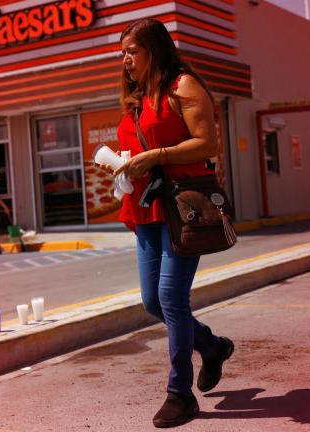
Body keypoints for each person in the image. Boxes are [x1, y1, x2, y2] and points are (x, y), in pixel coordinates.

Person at [106, 18, 235, 428]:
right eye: (123, 52)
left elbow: (207, 142)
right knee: (151, 302)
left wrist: (155, 155)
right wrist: (123, 168)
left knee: (171, 299)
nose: (125, 59)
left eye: (132, 51)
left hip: (183, 208)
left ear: (154, 50)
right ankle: (212, 347)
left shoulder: (183, 86)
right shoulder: (137, 98)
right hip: (146, 208)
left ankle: (180, 394)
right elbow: (138, 149)